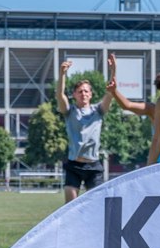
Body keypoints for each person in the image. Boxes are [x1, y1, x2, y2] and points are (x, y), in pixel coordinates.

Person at [54, 58, 143, 201]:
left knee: (96, 205)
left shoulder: (98, 111)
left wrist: (113, 70)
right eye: (80, 91)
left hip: (93, 166)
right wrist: (62, 74)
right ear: (74, 95)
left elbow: (110, 93)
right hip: (74, 165)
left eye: (86, 91)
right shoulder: (69, 112)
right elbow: (60, 95)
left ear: (91, 94)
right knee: (69, 205)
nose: (83, 94)